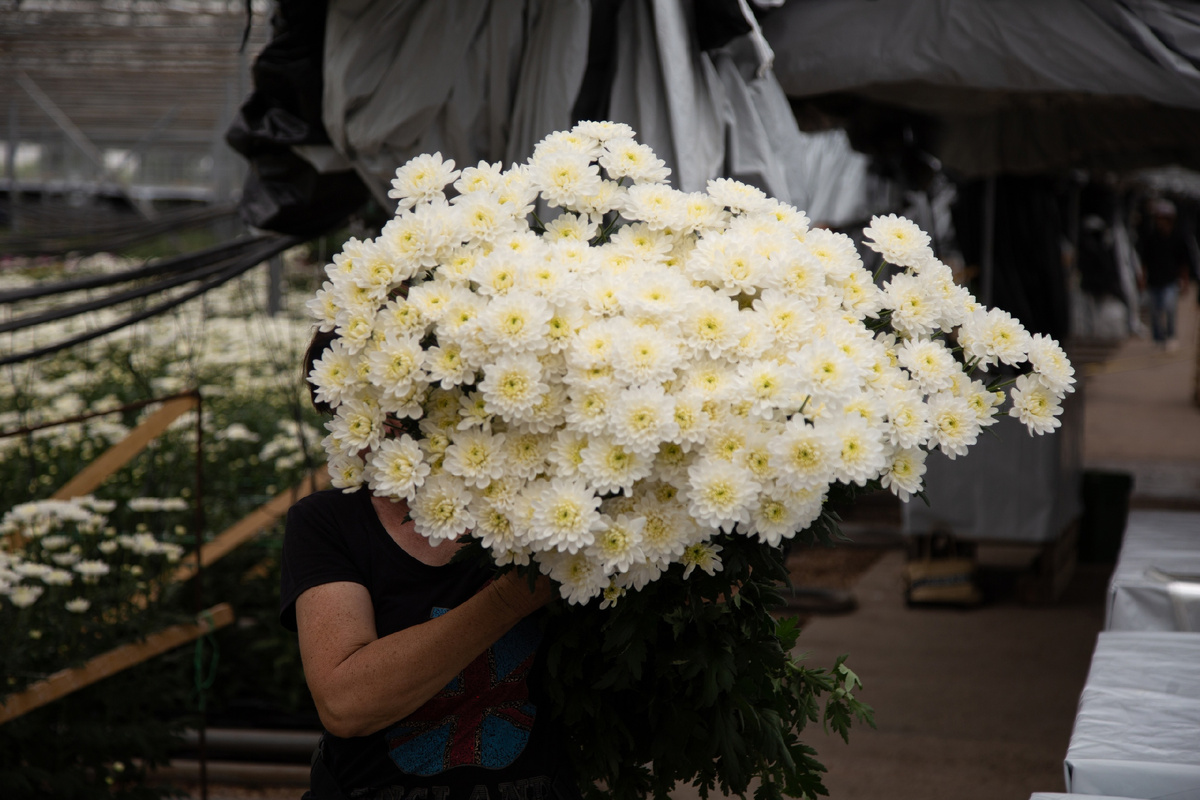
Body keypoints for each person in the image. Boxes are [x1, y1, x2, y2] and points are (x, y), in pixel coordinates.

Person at [280, 330, 578, 800]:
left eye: (391, 404)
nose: (369, 429)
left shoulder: (547, 509)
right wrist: (512, 597)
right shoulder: (328, 522)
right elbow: (345, 704)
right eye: (349, 409)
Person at [1137, 198, 1191, 351]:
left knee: (1169, 307)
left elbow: (1184, 262)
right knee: (1154, 311)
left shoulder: (1178, 238)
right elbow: (1144, 260)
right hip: (1154, 280)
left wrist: (1185, 281)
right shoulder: (1151, 238)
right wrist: (1142, 278)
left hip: (1170, 280)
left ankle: (1170, 335)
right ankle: (1158, 338)